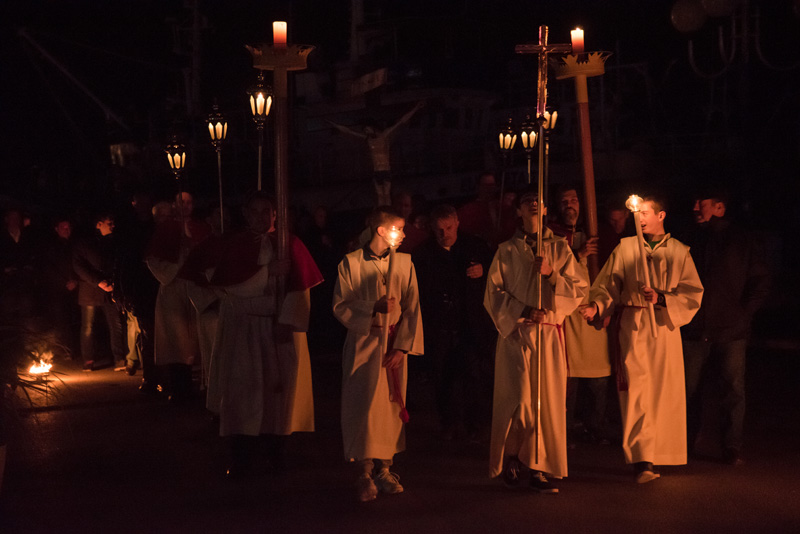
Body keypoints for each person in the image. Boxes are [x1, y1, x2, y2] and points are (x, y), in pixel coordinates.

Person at [581, 195, 704, 483]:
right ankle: (642, 459)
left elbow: (693, 292)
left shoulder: (678, 251)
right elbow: (607, 285)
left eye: (647, 213)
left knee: (663, 390)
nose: (641, 218)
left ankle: (661, 452)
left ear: (661, 216)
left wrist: (662, 297)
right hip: (633, 326)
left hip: (664, 327)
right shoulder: (625, 249)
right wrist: (596, 306)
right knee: (636, 390)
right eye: (638, 214)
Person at [204, 192, 323, 477]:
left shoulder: (289, 243)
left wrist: (288, 321)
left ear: (275, 214)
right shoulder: (235, 244)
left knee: (277, 393)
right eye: (254, 211)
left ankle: (276, 453)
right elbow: (229, 288)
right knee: (243, 392)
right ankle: (242, 456)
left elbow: (301, 289)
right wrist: (267, 273)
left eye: (266, 211)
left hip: (278, 328)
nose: (260, 217)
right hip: (244, 328)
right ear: (246, 214)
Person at [484, 188, 586, 494]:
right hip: (518, 334)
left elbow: (579, 289)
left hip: (547, 336)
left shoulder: (558, 248)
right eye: (526, 201)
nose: (533, 205)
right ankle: (513, 455)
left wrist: (552, 274)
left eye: (538, 202)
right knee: (521, 400)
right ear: (518, 211)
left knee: (545, 402)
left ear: (544, 211)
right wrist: (525, 310)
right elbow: (493, 293)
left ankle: (538, 466)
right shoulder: (505, 251)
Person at [332, 206, 423, 502]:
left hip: (393, 345)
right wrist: (372, 307)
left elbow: (412, 307)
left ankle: (385, 469)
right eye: (399, 228)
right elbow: (340, 305)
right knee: (363, 406)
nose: (404, 233)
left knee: (389, 408)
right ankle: (364, 471)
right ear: (381, 231)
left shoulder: (406, 263)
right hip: (364, 343)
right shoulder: (351, 263)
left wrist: (402, 347)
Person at [681, 190, 769, 465]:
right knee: (688, 389)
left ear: (719, 207)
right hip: (695, 328)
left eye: (702, 202)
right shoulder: (692, 238)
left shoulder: (742, 240)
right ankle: (683, 442)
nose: (695, 206)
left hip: (730, 330)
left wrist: (743, 314)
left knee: (732, 390)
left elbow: (760, 280)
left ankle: (731, 446)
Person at [412, 204, 493, 440]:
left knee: (473, 376)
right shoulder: (423, 254)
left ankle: (475, 423)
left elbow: (498, 274)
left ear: (457, 223)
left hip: (470, 324)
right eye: (439, 229)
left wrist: (484, 270)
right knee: (442, 377)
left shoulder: (475, 247)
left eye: (448, 228)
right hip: (439, 326)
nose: (444, 234)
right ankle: (449, 422)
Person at [548, 186, 611, 445]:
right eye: (564, 201)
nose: (570, 205)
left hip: (594, 312)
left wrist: (601, 306)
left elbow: (610, 273)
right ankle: (564, 431)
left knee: (597, 380)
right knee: (569, 380)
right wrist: (578, 255)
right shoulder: (552, 235)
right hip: (567, 316)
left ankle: (594, 427)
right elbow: (552, 269)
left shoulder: (596, 233)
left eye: (574, 200)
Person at [146, 192, 212, 401]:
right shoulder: (165, 229)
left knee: (198, 342)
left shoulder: (201, 227)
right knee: (177, 343)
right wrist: (177, 263)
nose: (186, 206)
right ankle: (178, 389)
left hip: (196, 289)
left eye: (189, 202)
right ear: (175, 205)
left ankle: (205, 386)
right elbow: (153, 260)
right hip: (173, 290)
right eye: (181, 202)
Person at [328, 101, 425, 205]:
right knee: (380, 195)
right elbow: (348, 131)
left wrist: (415, 109)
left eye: (367, 130)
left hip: (386, 169)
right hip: (376, 170)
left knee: (386, 195)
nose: (366, 132)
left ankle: (388, 212)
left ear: (372, 127)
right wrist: (334, 124)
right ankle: (381, 213)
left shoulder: (384, 135)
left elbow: (401, 121)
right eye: (365, 131)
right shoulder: (368, 139)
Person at [72, 212, 127, 371]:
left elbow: (116, 263)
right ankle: (88, 360)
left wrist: (113, 283)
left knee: (115, 323)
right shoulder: (84, 243)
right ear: (99, 224)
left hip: (109, 289)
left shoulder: (113, 242)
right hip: (90, 290)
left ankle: (119, 358)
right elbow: (79, 266)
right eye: (109, 223)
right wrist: (99, 281)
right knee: (88, 326)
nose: (113, 226)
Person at [457, 172, 518, 250]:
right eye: (485, 186)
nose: (489, 189)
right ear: (478, 187)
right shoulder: (467, 210)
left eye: (491, 185)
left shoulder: (503, 207)